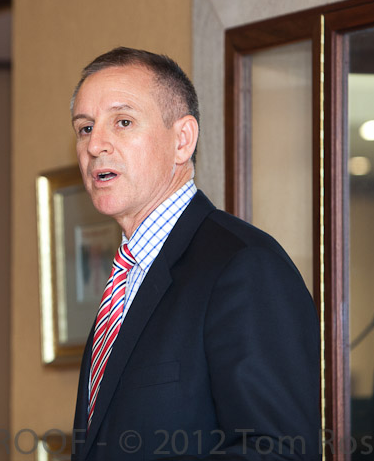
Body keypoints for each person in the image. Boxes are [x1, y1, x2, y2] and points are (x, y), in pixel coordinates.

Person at [68, 47, 320, 460]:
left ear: (182, 140)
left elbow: (277, 451)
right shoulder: (127, 280)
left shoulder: (243, 267)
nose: (95, 145)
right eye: (85, 128)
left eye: (123, 122)